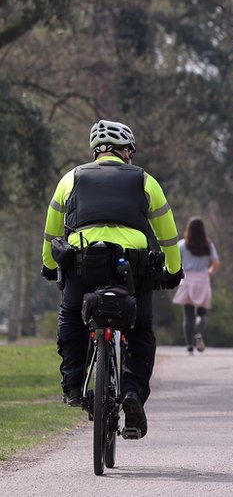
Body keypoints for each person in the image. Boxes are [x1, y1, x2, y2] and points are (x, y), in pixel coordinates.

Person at [41, 119, 183, 440]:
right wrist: (173, 271)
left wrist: (50, 265)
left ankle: (74, 384)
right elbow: (168, 234)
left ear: (95, 152)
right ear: (127, 151)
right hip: (133, 265)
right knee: (141, 328)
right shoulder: (145, 181)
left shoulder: (70, 178)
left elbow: (51, 230)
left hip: (82, 260)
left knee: (71, 316)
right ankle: (132, 392)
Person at [172, 217, 220, 355]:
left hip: (187, 279)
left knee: (188, 315)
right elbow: (216, 263)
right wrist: (209, 273)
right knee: (202, 313)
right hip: (203, 280)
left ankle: (189, 347)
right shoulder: (208, 245)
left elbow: (176, 262)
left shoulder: (182, 245)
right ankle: (199, 333)